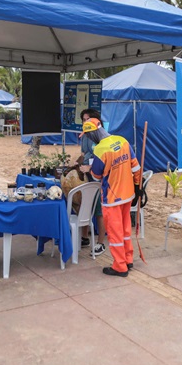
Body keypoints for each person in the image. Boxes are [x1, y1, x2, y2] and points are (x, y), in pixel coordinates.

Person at [80, 118, 142, 277]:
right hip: (128, 195)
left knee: (115, 234)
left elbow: (96, 175)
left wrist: (91, 169)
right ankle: (128, 259)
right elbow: (136, 167)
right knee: (125, 230)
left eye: (87, 135)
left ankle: (120, 266)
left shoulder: (100, 150)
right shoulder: (122, 141)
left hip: (112, 198)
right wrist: (138, 187)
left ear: (92, 134)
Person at [76, 108, 106, 256]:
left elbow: (104, 160)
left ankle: (101, 242)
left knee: (99, 210)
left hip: (98, 177)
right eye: (83, 120)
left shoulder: (102, 137)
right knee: (84, 203)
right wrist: (74, 164)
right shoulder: (84, 136)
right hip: (86, 174)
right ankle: (84, 237)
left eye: (87, 120)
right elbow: (83, 154)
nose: (85, 123)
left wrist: (91, 168)